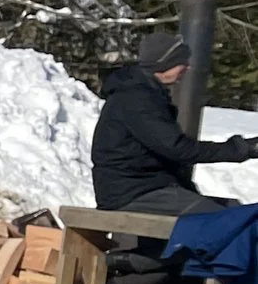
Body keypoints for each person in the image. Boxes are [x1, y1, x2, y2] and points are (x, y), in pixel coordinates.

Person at [91, 29, 255, 215]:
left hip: (148, 186)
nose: (187, 67)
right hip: (130, 192)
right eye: (181, 62)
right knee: (223, 219)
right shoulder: (136, 98)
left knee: (234, 210)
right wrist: (242, 149)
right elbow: (178, 148)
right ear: (164, 64)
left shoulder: (144, 93)